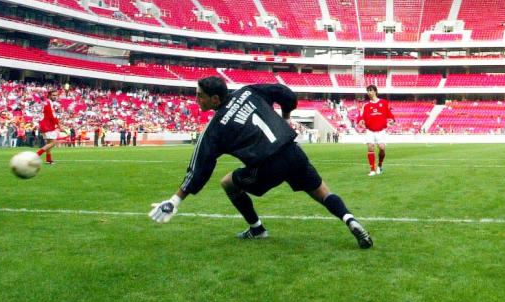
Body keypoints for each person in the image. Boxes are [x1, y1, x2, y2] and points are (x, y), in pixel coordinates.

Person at [148, 77, 372, 249]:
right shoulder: (248, 91)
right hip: (292, 151)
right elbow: (285, 93)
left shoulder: (215, 128)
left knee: (228, 183)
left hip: (267, 166)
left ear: (215, 99)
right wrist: (285, 115)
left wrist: (175, 200)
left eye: (200, 96)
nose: (196, 99)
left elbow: (200, 168)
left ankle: (257, 229)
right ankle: (349, 219)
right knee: (322, 191)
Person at [358, 84, 395, 176]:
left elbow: (389, 114)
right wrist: (360, 121)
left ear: (375, 91)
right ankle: (372, 170)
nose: (369, 93)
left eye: (370, 90)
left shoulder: (384, 102)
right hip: (370, 130)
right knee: (370, 147)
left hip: (381, 130)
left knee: (382, 148)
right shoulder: (366, 105)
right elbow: (361, 116)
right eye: (368, 91)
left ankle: (380, 165)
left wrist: (392, 120)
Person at [36, 99, 63, 164]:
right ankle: (36, 155)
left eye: (55, 95)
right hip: (48, 126)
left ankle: (48, 160)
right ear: (49, 95)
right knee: (53, 143)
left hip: (44, 125)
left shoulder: (46, 102)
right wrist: (59, 126)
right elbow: (52, 116)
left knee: (49, 143)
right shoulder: (49, 103)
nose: (55, 97)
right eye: (53, 95)